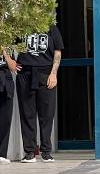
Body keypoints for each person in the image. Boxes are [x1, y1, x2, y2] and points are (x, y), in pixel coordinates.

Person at [5, 20, 64, 161]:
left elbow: (57, 51)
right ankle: (30, 152)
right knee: (27, 114)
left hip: (46, 73)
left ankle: (46, 152)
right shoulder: (21, 25)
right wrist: (10, 60)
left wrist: (54, 73)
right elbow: (6, 41)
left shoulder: (51, 27)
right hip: (25, 73)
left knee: (47, 115)